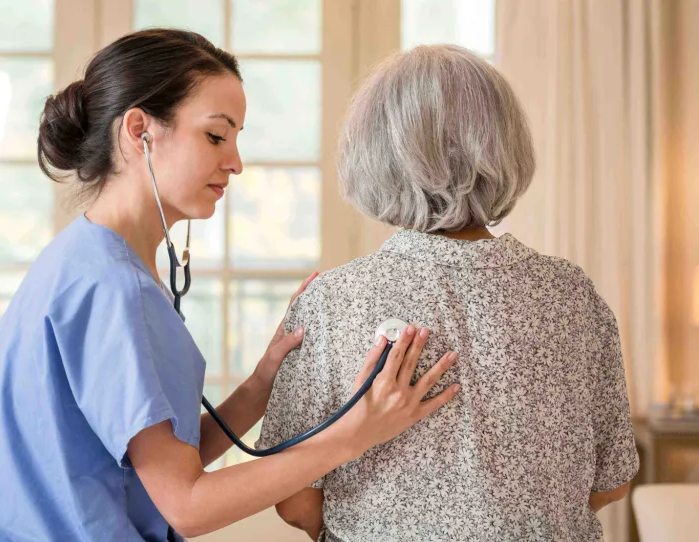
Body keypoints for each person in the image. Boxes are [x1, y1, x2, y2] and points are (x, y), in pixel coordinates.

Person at [0, 29, 460, 541]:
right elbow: (187, 504)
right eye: (216, 136)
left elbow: (155, 462)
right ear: (139, 131)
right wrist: (354, 436)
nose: (235, 162)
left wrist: (262, 381)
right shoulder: (113, 289)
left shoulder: (85, 258)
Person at [259, 44, 639, 541]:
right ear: (506, 146)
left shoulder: (332, 301)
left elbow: (291, 498)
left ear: (373, 154)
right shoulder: (572, 295)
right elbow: (611, 483)